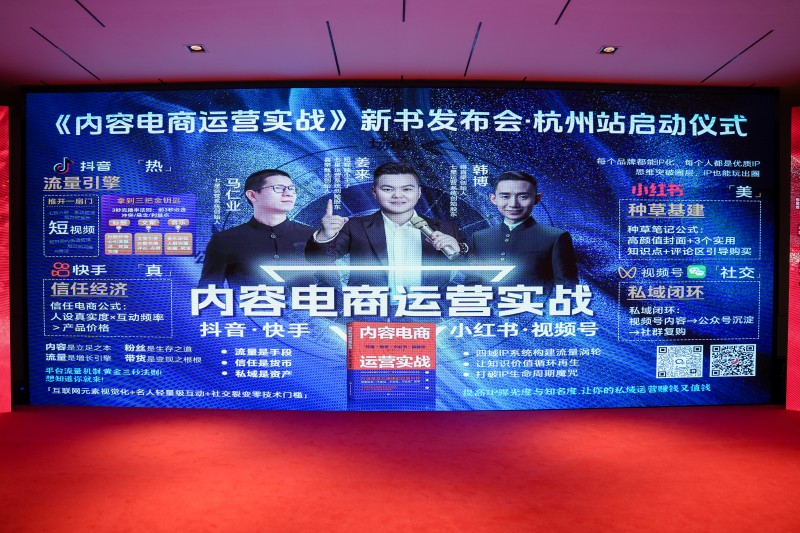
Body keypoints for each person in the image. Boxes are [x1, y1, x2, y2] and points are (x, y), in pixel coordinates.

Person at [306, 162, 468, 290]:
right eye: (388, 189)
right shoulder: (355, 227)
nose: (397, 195)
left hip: (428, 311)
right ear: (374, 192)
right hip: (371, 312)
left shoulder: (446, 228)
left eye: (406, 189)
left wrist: (459, 250)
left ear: (419, 192)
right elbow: (317, 260)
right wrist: (325, 236)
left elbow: (474, 269)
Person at [200, 169, 315, 287]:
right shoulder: (225, 240)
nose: (289, 193)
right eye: (279, 188)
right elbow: (208, 290)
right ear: (252, 195)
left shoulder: (314, 236)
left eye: (292, 189)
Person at [469, 171, 578, 293]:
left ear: (537, 198)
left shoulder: (555, 237)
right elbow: (472, 284)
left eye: (523, 197)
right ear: (493, 199)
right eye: (505, 197)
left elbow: (568, 289)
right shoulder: (479, 237)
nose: (513, 204)